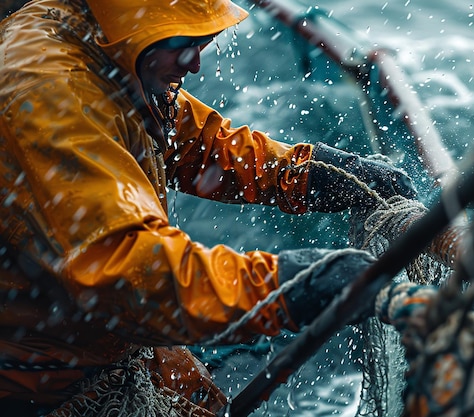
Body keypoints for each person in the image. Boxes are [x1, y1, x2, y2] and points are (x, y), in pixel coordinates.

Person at [0, 0, 417, 415]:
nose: (195, 63)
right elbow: (128, 271)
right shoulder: (48, 90)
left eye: (203, 41)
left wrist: (309, 173)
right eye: (183, 41)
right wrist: (288, 285)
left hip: (88, 343)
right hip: (38, 388)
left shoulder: (95, 43)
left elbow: (195, 144)